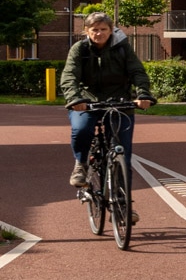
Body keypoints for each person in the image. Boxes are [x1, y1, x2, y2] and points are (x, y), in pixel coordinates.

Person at [61, 12, 156, 213]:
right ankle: (81, 163)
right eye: (94, 30)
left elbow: (137, 72)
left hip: (119, 102)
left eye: (103, 29)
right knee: (82, 129)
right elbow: (69, 75)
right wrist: (75, 99)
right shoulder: (79, 49)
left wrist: (143, 94)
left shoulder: (122, 48)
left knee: (123, 154)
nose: (99, 33)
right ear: (86, 31)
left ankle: (123, 204)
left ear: (111, 30)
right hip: (86, 102)